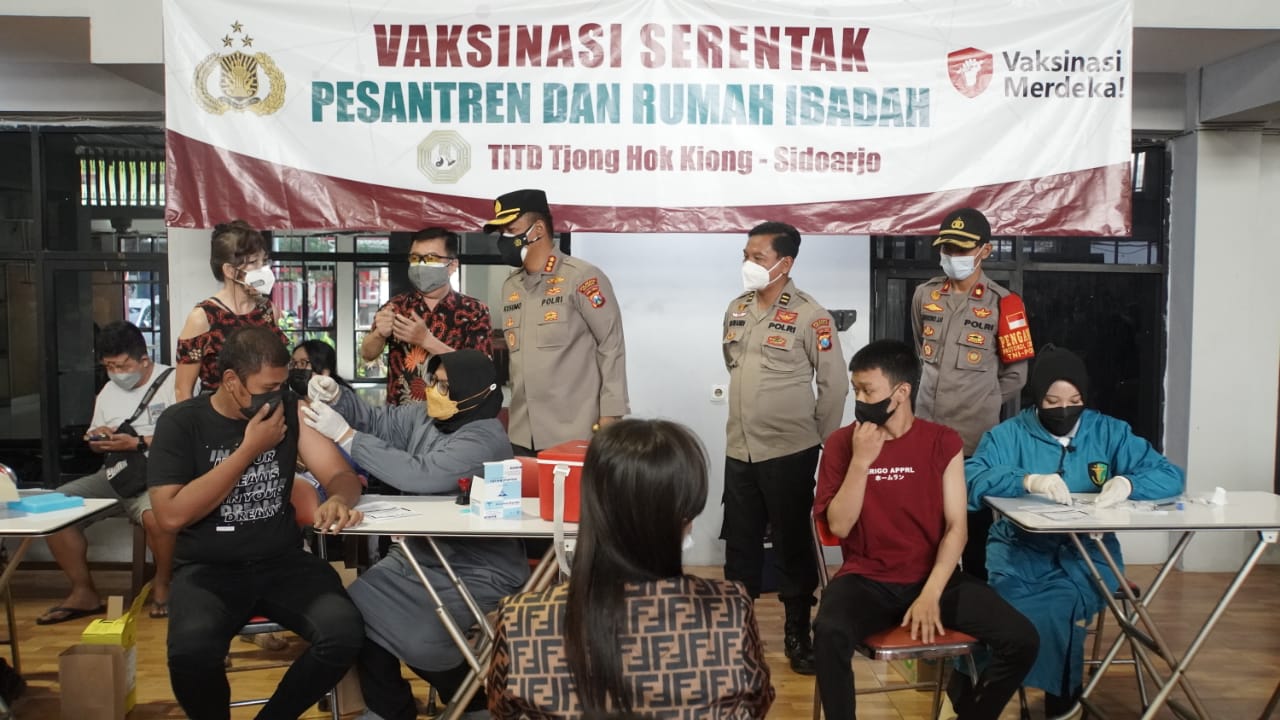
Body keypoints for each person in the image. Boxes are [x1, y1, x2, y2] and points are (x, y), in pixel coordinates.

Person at [146, 326, 365, 720]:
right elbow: (170, 515)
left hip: (281, 561)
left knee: (344, 633)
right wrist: (249, 449)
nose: (278, 394)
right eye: (268, 387)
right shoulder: (182, 423)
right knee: (191, 655)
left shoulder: (289, 410)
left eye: (282, 384)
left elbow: (341, 475)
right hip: (207, 569)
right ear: (232, 380)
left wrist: (337, 498)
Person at [487, 419, 774, 718]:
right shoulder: (730, 612)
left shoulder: (521, 621)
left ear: (590, 506)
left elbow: (501, 710)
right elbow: (756, 704)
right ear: (685, 518)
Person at [812, 339, 1037, 720]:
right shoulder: (840, 443)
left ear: (901, 393)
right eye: (856, 390)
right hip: (867, 580)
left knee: (1022, 640)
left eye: (868, 390)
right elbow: (839, 525)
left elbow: (956, 529)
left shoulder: (942, 441)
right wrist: (862, 461)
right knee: (828, 631)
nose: (860, 400)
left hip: (935, 578)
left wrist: (931, 593)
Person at [303, 350, 528, 720]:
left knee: (419, 635)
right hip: (419, 556)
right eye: (435, 382)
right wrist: (339, 397)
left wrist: (345, 436)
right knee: (350, 612)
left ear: (475, 391)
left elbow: (419, 473)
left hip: (477, 568)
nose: (435, 392)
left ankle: (472, 702)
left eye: (446, 386)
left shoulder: (485, 439)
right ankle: (389, 708)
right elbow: (379, 420)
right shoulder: (427, 415)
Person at [965, 345, 1185, 717]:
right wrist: (1027, 480)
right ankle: (993, 693)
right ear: (1037, 398)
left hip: (1089, 558)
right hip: (1019, 556)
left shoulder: (1110, 432)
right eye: (1052, 401)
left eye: (1074, 400)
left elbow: (1169, 475)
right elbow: (970, 477)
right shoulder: (1008, 435)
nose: (1064, 409)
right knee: (1003, 613)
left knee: (1060, 604)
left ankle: (1056, 703)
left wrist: (1128, 484)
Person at [721, 220, 848, 674]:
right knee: (740, 546)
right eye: (746, 256)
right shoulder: (737, 309)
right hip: (740, 448)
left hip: (789, 452)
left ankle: (798, 632)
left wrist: (819, 441)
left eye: (758, 257)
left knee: (792, 545)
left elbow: (834, 385)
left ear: (785, 263)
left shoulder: (812, 315)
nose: (748, 264)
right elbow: (734, 365)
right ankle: (739, 635)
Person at [910, 207, 1035, 580]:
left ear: (985, 250)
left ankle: (974, 601)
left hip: (974, 443)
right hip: (925, 436)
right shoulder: (924, 295)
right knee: (926, 529)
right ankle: (930, 599)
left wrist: (983, 400)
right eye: (947, 248)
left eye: (962, 249)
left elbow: (1017, 375)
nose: (953, 256)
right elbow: (921, 354)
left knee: (974, 532)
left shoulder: (1005, 303)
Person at [37, 321, 177, 624]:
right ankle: (83, 592)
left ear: (144, 359)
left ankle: (164, 584)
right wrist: (98, 439)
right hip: (116, 473)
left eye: (122, 365)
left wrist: (137, 442)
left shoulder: (174, 382)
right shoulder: (108, 392)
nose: (116, 372)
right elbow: (94, 441)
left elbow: (186, 438)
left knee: (158, 519)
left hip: (157, 476)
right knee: (56, 509)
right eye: (109, 366)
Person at [483, 188, 628, 454]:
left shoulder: (581, 278)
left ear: (538, 229)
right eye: (501, 232)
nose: (504, 239)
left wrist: (611, 414)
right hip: (522, 433)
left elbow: (611, 345)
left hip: (574, 431)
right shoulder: (511, 286)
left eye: (511, 230)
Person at [360, 227, 492, 405]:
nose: (421, 265)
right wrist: (378, 335)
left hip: (455, 414)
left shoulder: (474, 311)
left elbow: (480, 370)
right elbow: (367, 354)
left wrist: (426, 341)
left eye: (431, 258)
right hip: (401, 415)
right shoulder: (396, 307)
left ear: (452, 265)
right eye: (415, 258)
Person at [175, 220, 289, 400]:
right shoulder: (203, 317)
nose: (263, 269)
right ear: (229, 271)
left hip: (268, 407)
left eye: (264, 261)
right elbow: (182, 390)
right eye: (253, 262)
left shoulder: (268, 311)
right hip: (217, 413)